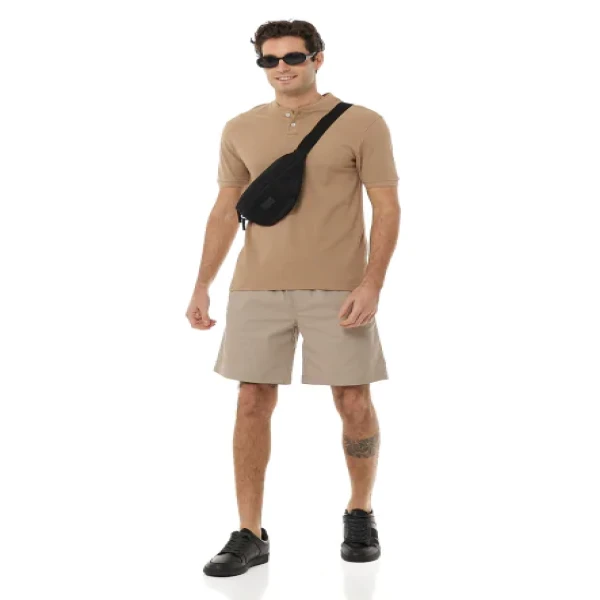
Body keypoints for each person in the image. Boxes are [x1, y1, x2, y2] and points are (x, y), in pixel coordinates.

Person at [186, 19, 400, 578]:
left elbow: (387, 207)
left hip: (339, 288)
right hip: (256, 286)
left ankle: (360, 512)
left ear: (317, 58)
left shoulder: (363, 122)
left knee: (353, 401)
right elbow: (224, 211)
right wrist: (202, 283)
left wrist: (372, 282)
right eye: (269, 60)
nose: (281, 68)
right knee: (250, 401)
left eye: (293, 57)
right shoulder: (240, 128)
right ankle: (249, 532)